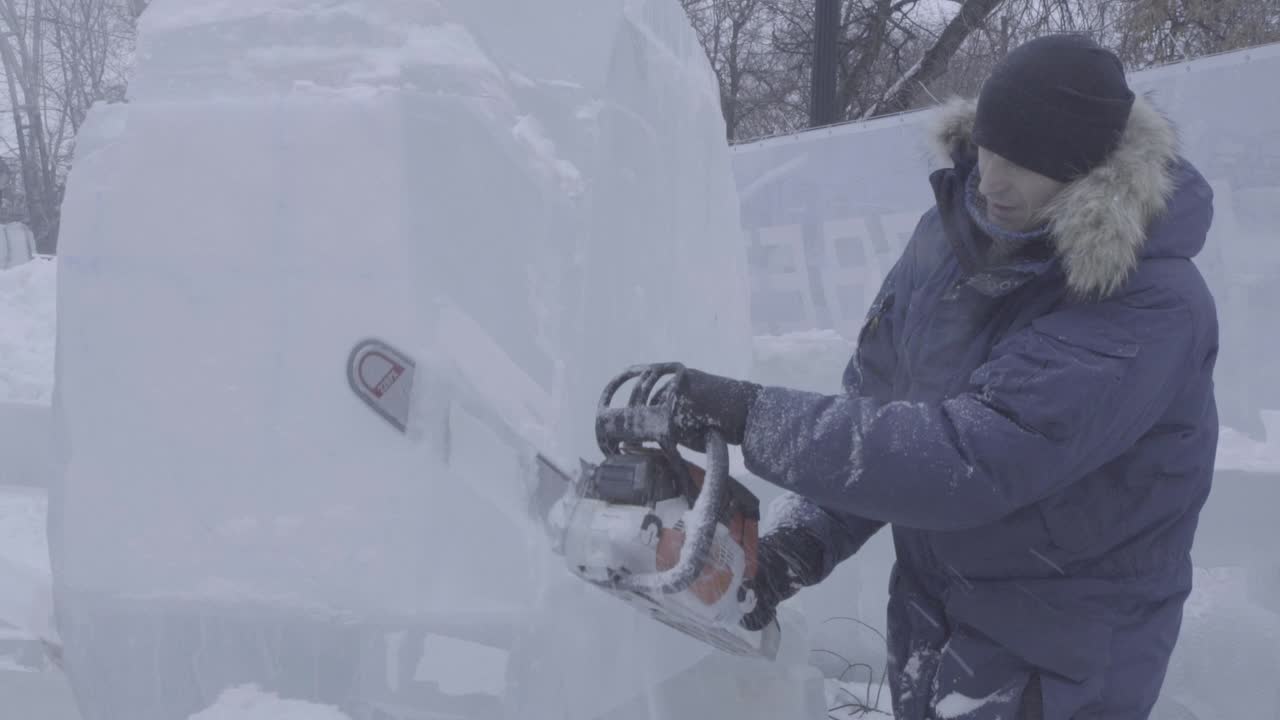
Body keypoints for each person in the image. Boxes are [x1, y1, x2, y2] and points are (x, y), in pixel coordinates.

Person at [654, 34, 1218, 720]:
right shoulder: (954, 237)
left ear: (1085, 172)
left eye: (1021, 164)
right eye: (987, 150)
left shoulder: (1145, 303)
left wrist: (750, 415)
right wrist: (795, 549)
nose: (990, 180)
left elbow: (968, 456)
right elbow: (883, 415)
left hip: (1061, 662)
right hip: (935, 629)